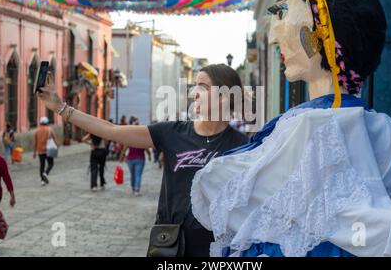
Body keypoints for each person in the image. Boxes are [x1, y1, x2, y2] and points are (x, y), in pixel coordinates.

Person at [190, 0, 391, 257]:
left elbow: (379, 228)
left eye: (281, 11)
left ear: (322, 21)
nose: (274, 35)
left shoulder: (320, 128)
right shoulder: (385, 132)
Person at [38, 63, 248, 257]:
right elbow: (111, 130)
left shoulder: (243, 147)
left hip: (218, 249)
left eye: (202, 87)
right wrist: (61, 108)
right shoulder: (172, 132)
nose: (194, 93)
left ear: (223, 96)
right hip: (171, 245)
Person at [120, 119, 152, 196]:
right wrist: (149, 156)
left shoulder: (130, 138)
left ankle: (133, 187)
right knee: (138, 174)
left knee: (133, 174)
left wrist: (121, 157)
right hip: (140, 159)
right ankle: (136, 190)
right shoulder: (142, 139)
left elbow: (124, 149)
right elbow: (147, 148)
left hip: (130, 159)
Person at [33, 117, 59, 186]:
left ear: (40, 123)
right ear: (47, 123)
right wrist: (56, 147)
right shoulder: (50, 130)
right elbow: (55, 140)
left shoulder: (37, 131)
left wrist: (34, 152)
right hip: (48, 150)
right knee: (51, 164)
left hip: (40, 151)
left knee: (42, 165)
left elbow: (35, 143)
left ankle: (42, 181)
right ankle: (46, 173)